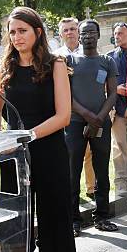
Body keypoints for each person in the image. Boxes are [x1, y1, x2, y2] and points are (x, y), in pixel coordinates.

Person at [0, 7, 80, 252]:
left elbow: (64, 115)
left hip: (49, 150)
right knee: (16, 226)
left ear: (37, 32)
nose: (16, 37)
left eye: (22, 31)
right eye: (12, 32)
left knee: (56, 220)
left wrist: (28, 134)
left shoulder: (55, 64)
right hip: (12, 156)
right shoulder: (5, 67)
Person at [65, 19, 118, 236]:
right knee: (72, 171)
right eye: (83, 33)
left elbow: (113, 93)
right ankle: (74, 220)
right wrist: (87, 116)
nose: (87, 36)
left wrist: (98, 119)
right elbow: (65, 95)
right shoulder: (69, 61)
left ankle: (102, 216)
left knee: (102, 170)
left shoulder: (107, 61)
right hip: (76, 123)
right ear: (79, 35)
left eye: (91, 33)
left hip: (101, 122)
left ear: (98, 35)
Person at [54, 17, 96, 198]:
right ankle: (71, 192)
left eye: (73, 29)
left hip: (90, 111)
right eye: (66, 30)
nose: (70, 32)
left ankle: (91, 189)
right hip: (67, 114)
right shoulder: (56, 57)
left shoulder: (91, 53)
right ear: (61, 34)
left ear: (78, 31)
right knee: (71, 155)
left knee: (90, 154)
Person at [108, 22, 127, 196]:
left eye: (120, 33)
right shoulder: (110, 57)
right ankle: (120, 183)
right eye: (116, 33)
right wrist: (115, 89)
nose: (117, 36)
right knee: (119, 147)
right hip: (117, 109)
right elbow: (102, 83)